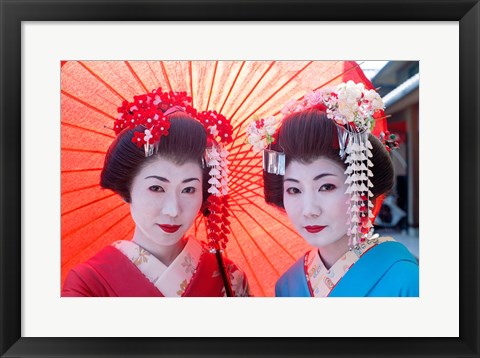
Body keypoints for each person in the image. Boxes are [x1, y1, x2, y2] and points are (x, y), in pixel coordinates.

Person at [62, 89, 249, 297]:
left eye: (189, 189)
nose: (173, 210)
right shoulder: (89, 285)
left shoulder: (230, 279)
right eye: (156, 188)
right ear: (127, 188)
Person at [247, 81, 419, 297]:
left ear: (361, 186)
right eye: (294, 190)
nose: (309, 210)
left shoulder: (406, 280)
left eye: (326, 186)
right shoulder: (287, 286)